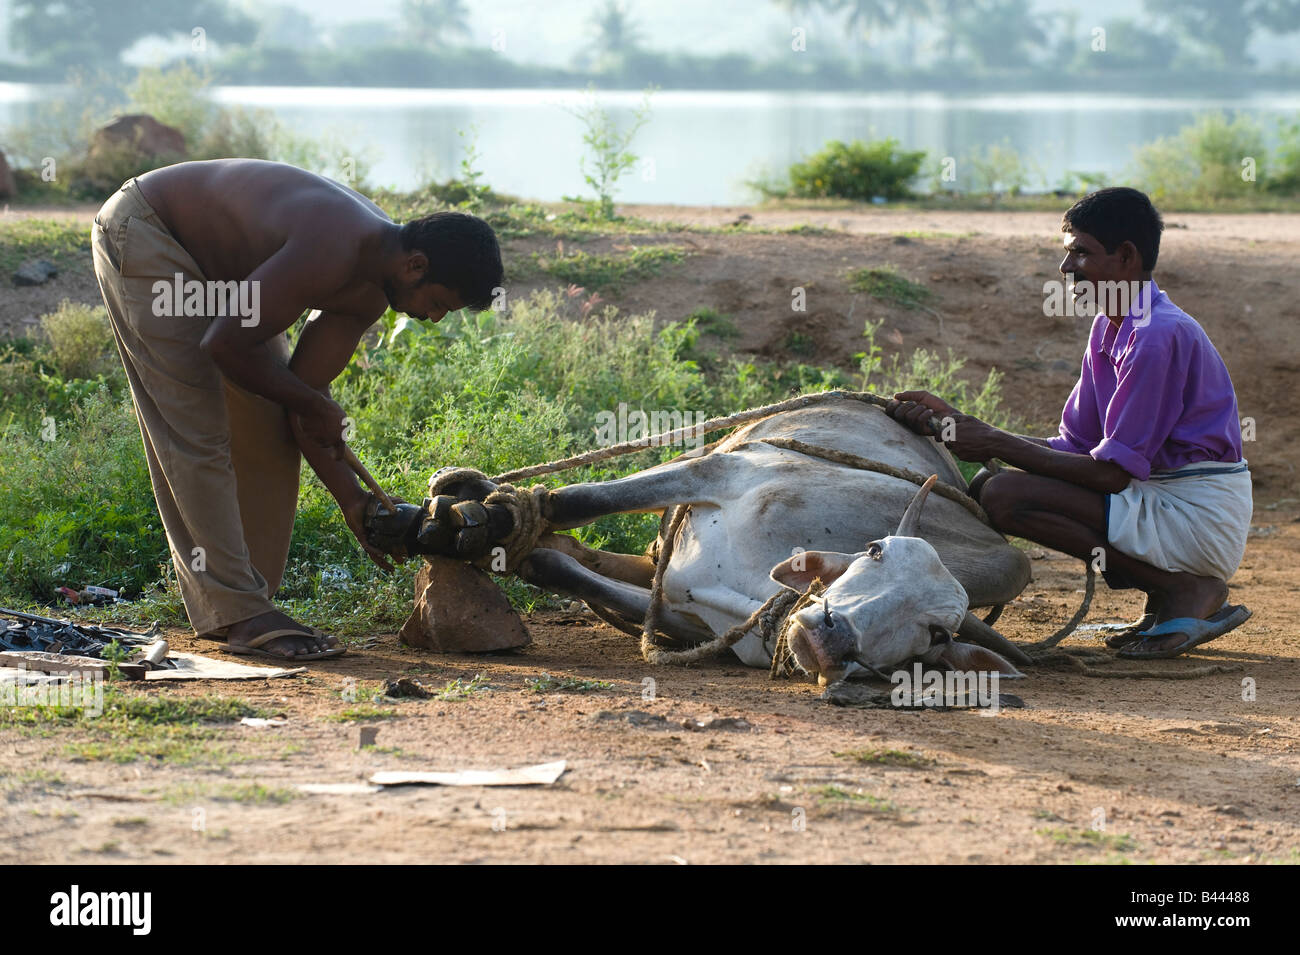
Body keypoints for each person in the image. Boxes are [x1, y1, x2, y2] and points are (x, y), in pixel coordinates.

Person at [91, 159, 503, 660]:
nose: (434, 318)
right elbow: (225, 346)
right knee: (195, 427)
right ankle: (241, 615)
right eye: (439, 302)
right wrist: (311, 402)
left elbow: (304, 398)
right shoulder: (332, 247)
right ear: (416, 265)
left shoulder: (373, 287)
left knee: (269, 422)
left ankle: (246, 600)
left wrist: (353, 501)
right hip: (150, 230)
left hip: (225, 275)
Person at [887, 187, 1250, 659]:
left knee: (1003, 494)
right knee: (988, 487)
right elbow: (1074, 447)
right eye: (1067, 253)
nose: (1066, 268)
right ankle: (1167, 590)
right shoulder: (1110, 326)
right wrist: (960, 426)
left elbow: (1111, 474)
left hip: (1196, 516)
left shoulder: (1158, 336)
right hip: (1161, 501)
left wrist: (994, 439)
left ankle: (1182, 589)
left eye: (1080, 253)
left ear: (1125, 257)